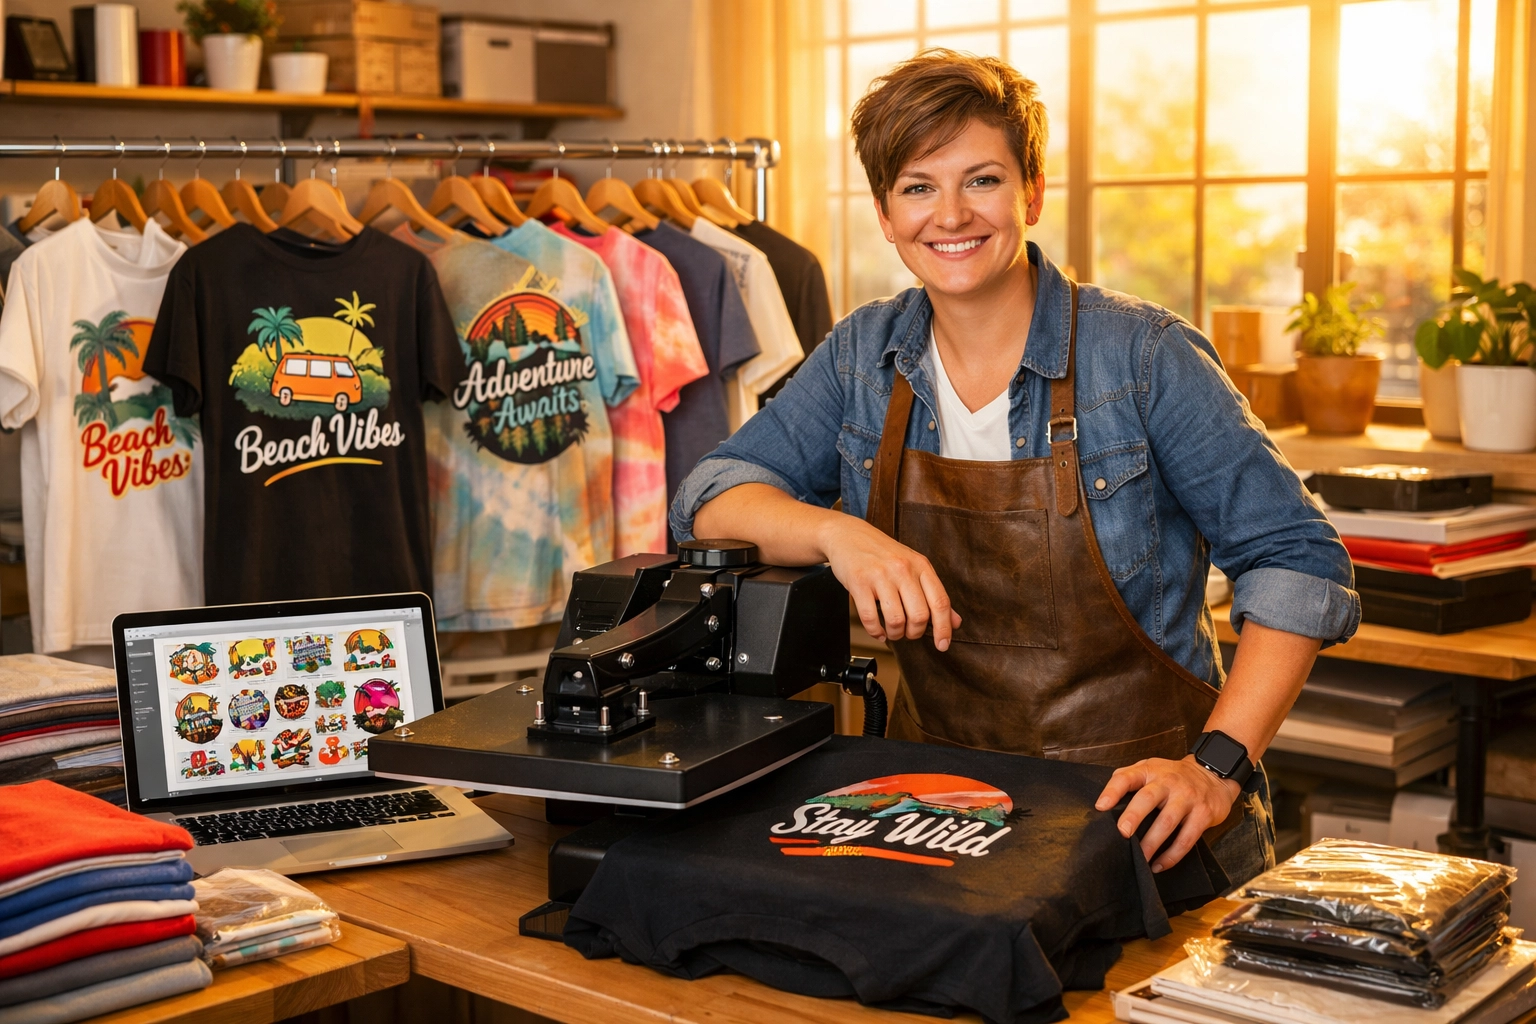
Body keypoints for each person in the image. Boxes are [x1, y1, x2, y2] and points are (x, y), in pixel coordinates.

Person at [669, 50, 1359, 884]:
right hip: (941, 817)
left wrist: (1214, 769)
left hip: (1147, 825)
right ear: (885, 215)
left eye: (982, 180)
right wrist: (839, 535)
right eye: (918, 187)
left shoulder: (1142, 356)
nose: (950, 214)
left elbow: (1298, 561)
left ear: (1031, 193)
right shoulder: (863, 356)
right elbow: (708, 497)